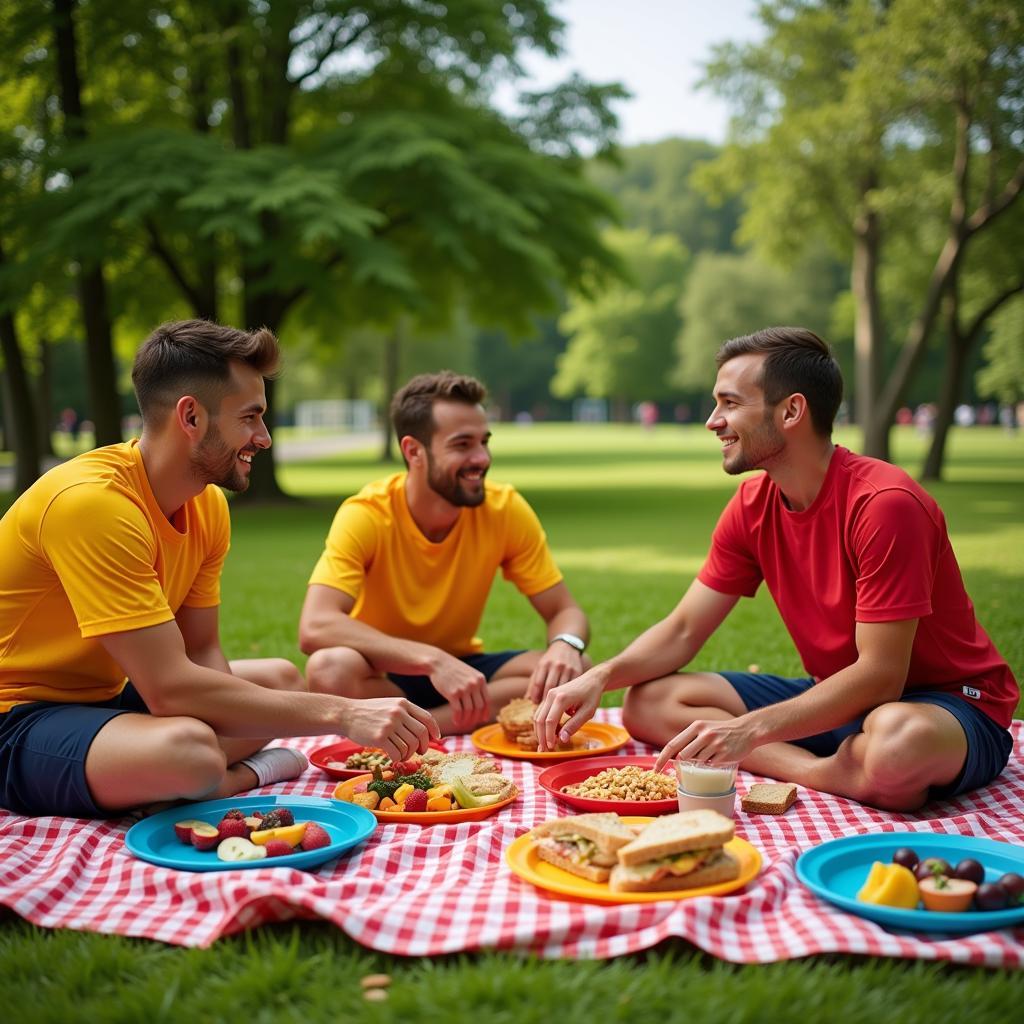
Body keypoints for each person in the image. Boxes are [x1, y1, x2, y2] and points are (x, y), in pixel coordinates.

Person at [535, 327, 1018, 810]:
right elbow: (684, 629)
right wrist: (601, 675)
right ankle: (833, 773)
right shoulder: (752, 504)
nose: (712, 421)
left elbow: (880, 676)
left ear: (791, 411)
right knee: (647, 702)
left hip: (952, 705)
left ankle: (859, 765)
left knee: (896, 741)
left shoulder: (884, 504)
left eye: (729, 404)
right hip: (838, 696)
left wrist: (748, 731)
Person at [0, 320, 437, 818]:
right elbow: (168, 689)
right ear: (191, 417)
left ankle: (180, 779)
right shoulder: (91, 506)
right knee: (189, 751)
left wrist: (236, 722)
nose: (264, 438)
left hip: (109, 697)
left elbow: (201, 649)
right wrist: (342, 712)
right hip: (17, 716)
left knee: (281, 680)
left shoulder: (206, 505)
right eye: (250, 418)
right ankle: (220, 777)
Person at [299, 371, 590, 734]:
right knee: (329, 669)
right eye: (462, 444)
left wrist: (565, 645)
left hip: (464, 669)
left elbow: (564, 610)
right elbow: (315, 625)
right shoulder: (367, 514)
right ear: (413, 451)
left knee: (577, 668)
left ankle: (425, 727)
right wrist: (431, 660)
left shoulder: (505, 509)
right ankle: (451, 722)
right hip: (385, 672)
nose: (482, 458)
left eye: (484, 441)